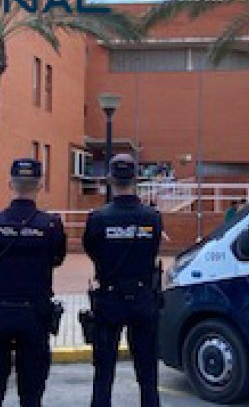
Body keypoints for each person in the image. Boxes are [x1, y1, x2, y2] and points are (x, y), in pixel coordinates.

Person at [0, 158, 67, 407]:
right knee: (32, 391)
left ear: (10, 184)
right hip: (34, 314)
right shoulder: (50, 225)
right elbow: (57, 259)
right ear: (40, 186)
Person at [84, 153, 163, 407]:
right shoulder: (152, 218)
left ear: (110, 179)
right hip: (143, 298)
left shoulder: (98, 219)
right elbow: (153, 250)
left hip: (109, 299)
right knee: (148, 373)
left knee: (104, 373)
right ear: (136, 179)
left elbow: (92, 250)